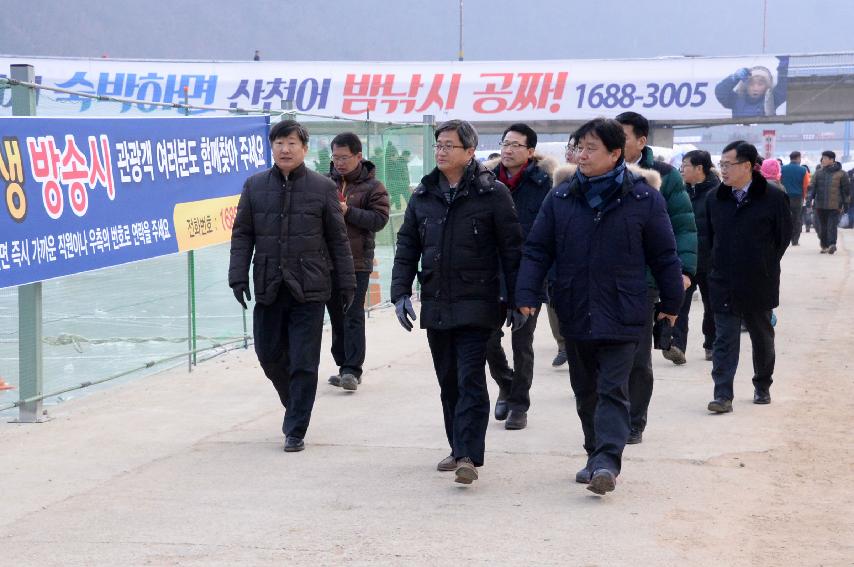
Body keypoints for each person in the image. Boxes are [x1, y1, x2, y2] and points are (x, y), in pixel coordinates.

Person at [515, 118, 683, 495]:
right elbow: (538, 249)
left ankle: (608, 460)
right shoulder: (560, 197)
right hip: (575, 305)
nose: (582, 155)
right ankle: (595, 455)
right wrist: (525, 295)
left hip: (625, 307)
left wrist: (672, 301)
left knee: (612, 388)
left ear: (615, 153)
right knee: (585, 389)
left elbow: (664, 253)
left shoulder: (643, 197)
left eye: (591, 148)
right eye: (578, 148)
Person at [390, 120, 522, 485]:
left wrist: (518, 299)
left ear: (470, 152)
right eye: (438, 145)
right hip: (437, 302)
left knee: (470, 379)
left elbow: (512, 250)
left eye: (450, 145)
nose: (442, 151)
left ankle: (467, 454)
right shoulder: (423, 195)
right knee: (448, 380)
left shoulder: (492, 193)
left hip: (479, 303)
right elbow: (407, 248)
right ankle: (457, 446)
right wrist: (400, 292)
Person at [228, 120, 355, 453]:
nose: (285, 149)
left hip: (310, 287)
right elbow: (242, 234)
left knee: (303, 360)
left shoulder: (323, 188)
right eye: (279, 143)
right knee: (268, 354)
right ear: (271, 147)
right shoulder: (254, 186)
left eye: (291, 144)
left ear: (305, 149)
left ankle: (296, 427)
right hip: (269, 283)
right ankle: (295, 405)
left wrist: (346, 283)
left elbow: (337, 239)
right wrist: (237, 274)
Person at [615, 112, 697, 444]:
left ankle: (634, 420)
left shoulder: (663, 176)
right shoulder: (596, 173)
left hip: (644, 278)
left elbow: (683, 224)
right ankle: (609, 415)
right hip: (603, 278)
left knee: (636, 354)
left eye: (620, 136)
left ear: (641, 141)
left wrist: (684, 271)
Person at [705, 141, 791, 413]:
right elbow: (709, 237)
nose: (723, 170)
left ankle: (762, 385)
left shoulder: (773, 197)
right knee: (724, 339)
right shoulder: (715, 198)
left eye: (727, 165)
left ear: (746, 166)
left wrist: (764, 263)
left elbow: (783, 237)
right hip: (723, 280)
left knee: (762, 336)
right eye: (721, 165)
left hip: (759, 279)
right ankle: (722, 394)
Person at [483, 123, 557, 430]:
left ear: (530, 151)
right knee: (486, 338)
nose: (508, 150)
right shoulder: (484, 181)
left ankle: (519, 404)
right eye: (505, 144)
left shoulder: (544, 184)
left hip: (528, 274)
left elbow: (550, 235)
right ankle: (506, 381)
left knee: (522, 342)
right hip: (488, 273)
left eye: (515, 145)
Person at [325, 132, 390, 392]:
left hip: (357, 261)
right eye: (335, 157)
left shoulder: (374, 187)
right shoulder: (324, 183)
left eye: (344, 157)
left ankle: (352, 369)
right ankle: (343, 365)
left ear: (358, 156)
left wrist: (348, 211)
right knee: (335, 315)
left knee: (352, 314)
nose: (339, 163)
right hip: (327, 261)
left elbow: (379, 220)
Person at [676, 150, 719, 362]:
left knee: (711, 305)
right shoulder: (680, 193)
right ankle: (676, 347)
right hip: (684, 261)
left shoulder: (718, 194)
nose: (682, 170)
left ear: (699, 168)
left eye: (685, 165)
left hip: (710, 261)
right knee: (678, 303)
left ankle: (710, 343)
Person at [807, 150, 851, 254]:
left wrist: (846, 204)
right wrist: (809, 200)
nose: (823, 160)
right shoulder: (818, 173)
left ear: (832, 160)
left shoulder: (841, 174)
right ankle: (824, 245)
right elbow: (812, 188)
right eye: (822, 158)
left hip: (835, 205)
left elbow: (846, 191)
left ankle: (832, 244)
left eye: (825, 158)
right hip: (820, 205)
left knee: (832, 225)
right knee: (822, 226)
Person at [714, 58, 788, 118]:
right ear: (745, 86)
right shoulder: (735, 99)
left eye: (760, 84)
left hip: (763, 133)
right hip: (738, 133)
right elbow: (720, 93)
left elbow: (783, 88)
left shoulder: (772, 98)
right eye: (751, 84)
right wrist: (734, 78)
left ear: (767, 86)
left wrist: (783, 66)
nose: (755, 88)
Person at [780, 151, 810, 246]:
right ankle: (795, 240)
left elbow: (779, 182)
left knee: (785, 218)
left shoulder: (782, 169)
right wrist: (804, 196)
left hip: (784, 196)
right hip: (797, 197)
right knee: (797, 218)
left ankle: (785, 239)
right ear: (798, 158)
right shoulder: (803, 170)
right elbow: (805, 185)